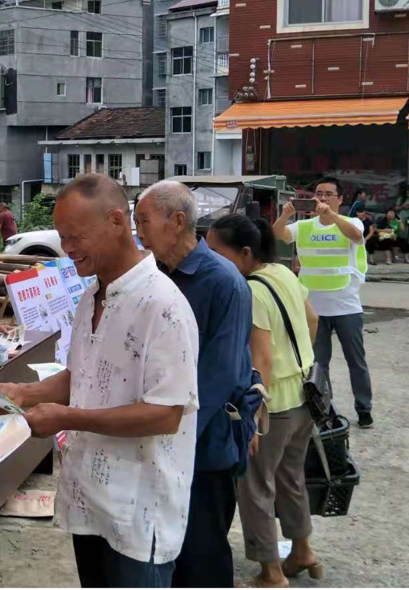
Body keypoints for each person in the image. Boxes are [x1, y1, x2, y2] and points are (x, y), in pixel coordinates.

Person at [0, 174, 200, 590]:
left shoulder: (163, 305)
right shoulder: (91, 295)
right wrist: (24, 394)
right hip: (89, 498)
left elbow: (166, 413)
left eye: (75, 237)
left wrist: (66, 417)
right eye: (62, 237)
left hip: (139, 510)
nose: (66, 248)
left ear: (114, 221)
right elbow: (83, 376)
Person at [133, 180, 253, 590]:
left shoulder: (222, 281)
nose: (139, 232)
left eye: (143, 221)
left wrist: (169, 433)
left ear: (178, 221)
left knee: (203, 556)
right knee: (168, 553)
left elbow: (219, 377)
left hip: (204, 448)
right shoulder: (154, 276)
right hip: (163, 443)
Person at [207, 215, 324, 590]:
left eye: (215, 253)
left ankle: (271, 573)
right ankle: (302, 550)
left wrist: (252, 419)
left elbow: (261, 361)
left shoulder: (251, 291)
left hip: (273, 407)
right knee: (291, 478)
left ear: (243, 253)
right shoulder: (283, 273)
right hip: (306, 395)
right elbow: (312, 319)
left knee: (254, 487)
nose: (210, 260)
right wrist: (299, 358)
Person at [273, 176, 372, 429]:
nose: (323, 198)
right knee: (318, 364)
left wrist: (332, 216)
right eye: (319, 193)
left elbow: (355, 237)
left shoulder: (351, 222)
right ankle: (324, 412)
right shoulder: (305, 226)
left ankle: (364, 408)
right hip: (314, 309)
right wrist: (284, 216)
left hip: (347, 306)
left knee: (356, 361)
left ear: (340, 199)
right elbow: (279, 235)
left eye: (329, 194)